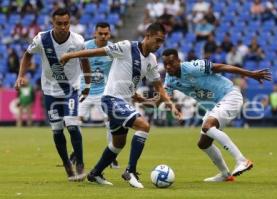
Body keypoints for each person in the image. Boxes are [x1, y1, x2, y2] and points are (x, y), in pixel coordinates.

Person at [60, 23, 181, 188]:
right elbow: (96, 51)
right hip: (111, 99)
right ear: (147, 35)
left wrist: (171, 105)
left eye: (162, 41)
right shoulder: (126, 47)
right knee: (144, 126)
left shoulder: (152, 59)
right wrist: (71, 55)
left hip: (124, 102)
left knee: (118, 143)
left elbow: (158, 86)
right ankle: (130, 171)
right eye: (157, 40)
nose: (159, 45)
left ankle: (95, 173)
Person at [159, 48, 271, 182]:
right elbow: (164, 97)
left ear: (179, 60)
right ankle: (225, 174)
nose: (168, 67)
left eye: (171, 63)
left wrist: (249, 74)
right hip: (213, 106)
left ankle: (242, 160)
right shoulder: (170, 79)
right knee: (204, 144)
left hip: (229, 96)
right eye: (165, 64)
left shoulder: (193, 67)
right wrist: (145, 100)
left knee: (208, 126)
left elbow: (222, 67)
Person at [15, 8, 91, 181]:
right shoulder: (42, 39)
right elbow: (27, 55)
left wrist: (87, 83)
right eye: (59, 24)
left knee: (71, 124)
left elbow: (85, 61)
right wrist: (21, 76)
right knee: (57, 130)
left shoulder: (78, 41)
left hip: (71, 88)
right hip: (50, 90)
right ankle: (67, 165)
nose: (63, 27)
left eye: (66, 23)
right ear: (52, 23)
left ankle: (80, 163)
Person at [69, 22, 120, 169]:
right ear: (94, 33)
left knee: (111, 123)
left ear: (109, 34)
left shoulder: (113, 49)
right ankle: (76, 152)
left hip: (104, 92)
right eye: (101, 33)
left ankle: (111, 156)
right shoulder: (84, 46)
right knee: (74, 122)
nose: (103, 36)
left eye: (106, 33)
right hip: (84, 90)